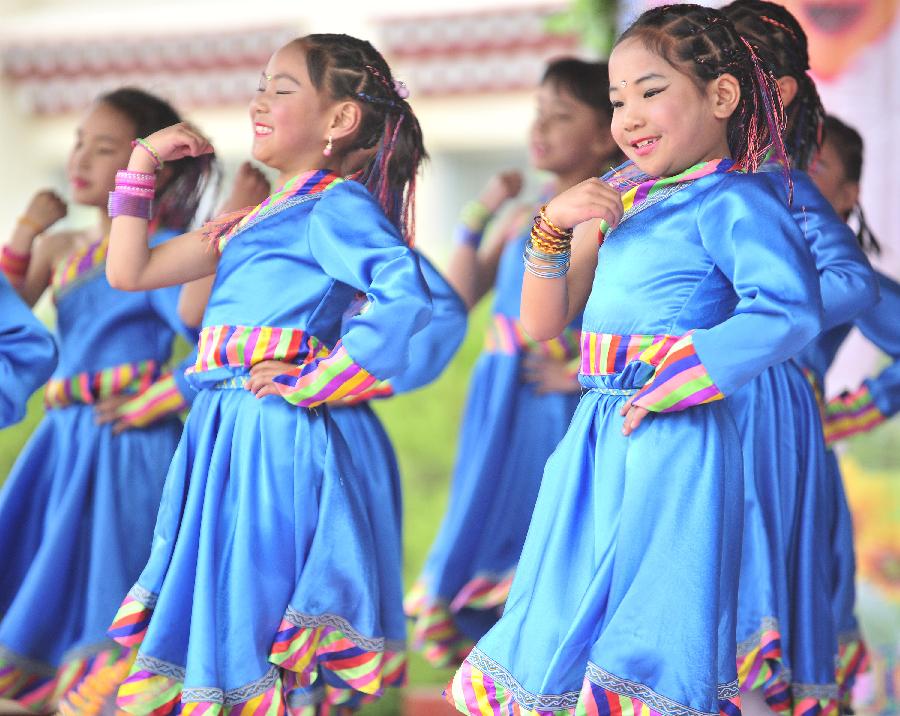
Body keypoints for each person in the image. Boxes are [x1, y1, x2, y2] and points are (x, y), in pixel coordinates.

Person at [445, 5, 824, 714]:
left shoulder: (736, 198)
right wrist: (551, 229)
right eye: (618, 100)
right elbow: (542, 324)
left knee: (648, 633)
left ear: (721, 97)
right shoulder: (627, 198)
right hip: (592, 438)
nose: (629, 115)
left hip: (672, 443)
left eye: (650, 91)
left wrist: (682, 378)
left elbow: (790, 307)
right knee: (563, 624)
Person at [102, 34, 435, 715]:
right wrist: (142, 163)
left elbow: (406, 293)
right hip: (225, 428)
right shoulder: (254, 219)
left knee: (258, 608)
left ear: (338, 121)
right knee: (229, 606)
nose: (260, 99)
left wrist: (321, 375)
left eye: (282, 89)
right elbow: (128, 271)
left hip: (274, 430)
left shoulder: (335, 205)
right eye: (260, 84)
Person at [0, 87, 215, 714]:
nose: (83, 160)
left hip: (128, 446)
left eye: (104, 150)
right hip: (62, 443)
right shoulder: (62, 249)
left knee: (112, 595)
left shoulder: (165, 246)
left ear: (153, 168)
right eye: (79, 145)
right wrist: (24, 233)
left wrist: (160, 398)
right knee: (46, 586)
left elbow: (209, 344)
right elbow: (10, 316)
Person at [405, 58, 621, 668]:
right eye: (538, 115)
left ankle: (541, 667)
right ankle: (501, 664)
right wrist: (477, 217)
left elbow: (616, 315)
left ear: (604, 134)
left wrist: (577, 372)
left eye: (561, 117)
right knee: (483, 517)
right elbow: (457, 299)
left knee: (537, 533)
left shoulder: (597, 214)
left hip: (546, 398)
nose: (541, 128)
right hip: (499, 395)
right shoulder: (531, 214)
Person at [720, 4, 880, 713]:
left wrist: (758, 325)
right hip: (680, 406)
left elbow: (851, 283)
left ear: (774, 93)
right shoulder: (673, 180)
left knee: (751, 609)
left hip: (761, 415)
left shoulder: (783, 184)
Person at [802, 113, 900, 711]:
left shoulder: (843, 272)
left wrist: (854, 412)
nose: (797, 179)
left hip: (790, 452)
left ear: (849, 194)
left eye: (817, 168)